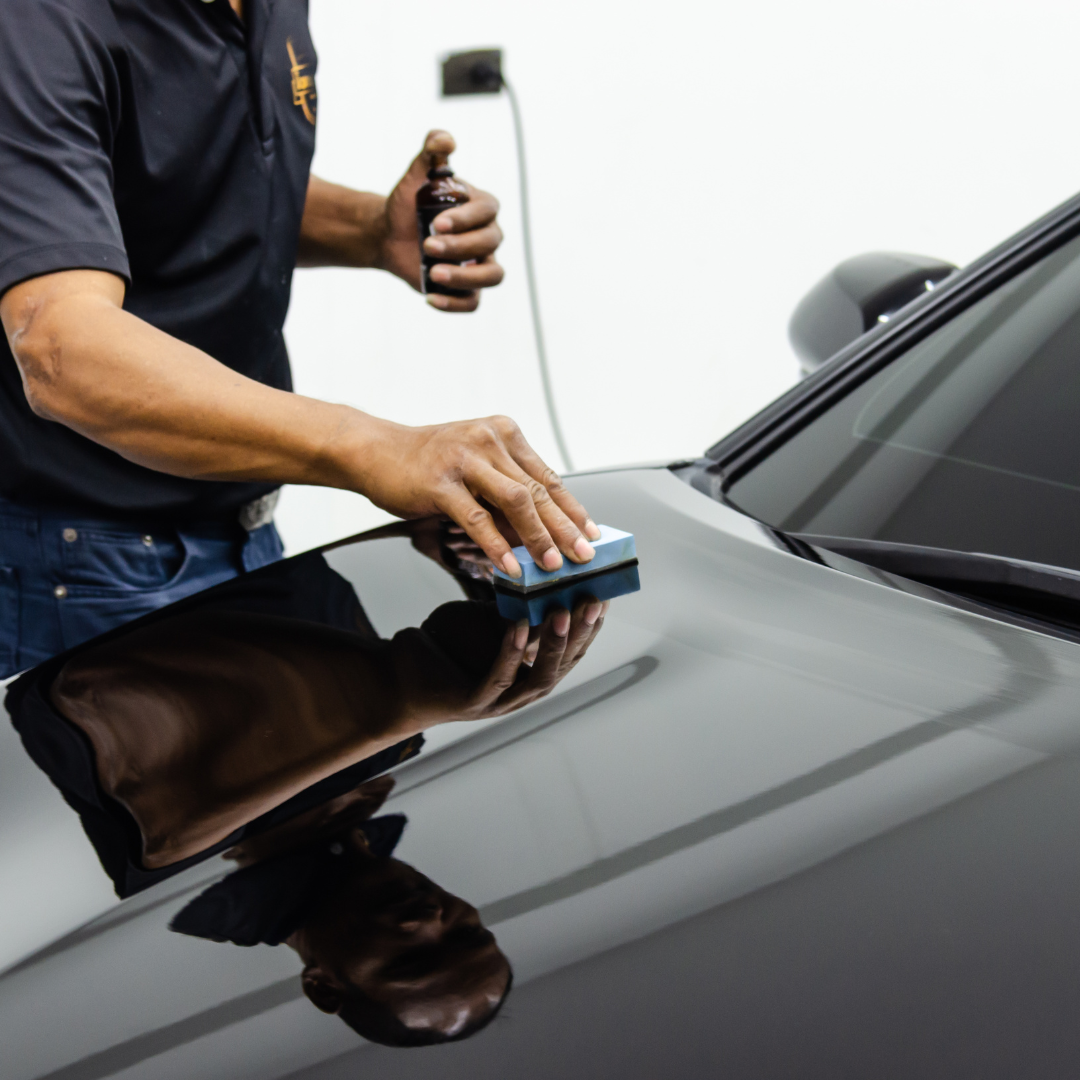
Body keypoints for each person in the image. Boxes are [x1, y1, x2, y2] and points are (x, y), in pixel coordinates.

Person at [0, 0, 600, 678]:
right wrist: (377, 446)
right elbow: (59, 350)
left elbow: (175, 168)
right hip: (84, 567)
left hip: (247, 529)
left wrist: (372, 231)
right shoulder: (36, 22)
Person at [172, 776, 514, 1047]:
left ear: (323, 987)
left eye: (410, 962)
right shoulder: (388, 755)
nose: (428, 920)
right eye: (466, 933)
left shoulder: (160, 839)